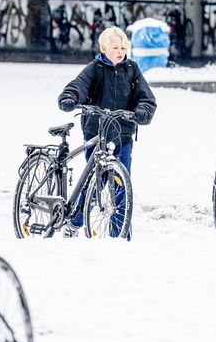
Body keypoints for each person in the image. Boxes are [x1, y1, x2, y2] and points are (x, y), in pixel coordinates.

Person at [58, 26, 157, 238]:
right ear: (104, 48)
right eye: (115, 47)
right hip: (97, 134)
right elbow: (79, 85)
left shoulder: (131, 69)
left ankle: (119, 236)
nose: (120, 51)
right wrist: (70, 97)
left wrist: (141, 112)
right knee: (96, 184)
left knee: (121, 188)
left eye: (123, 47)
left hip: (122, 136)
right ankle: (75, 222)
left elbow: (146, 98)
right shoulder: (95, 68)